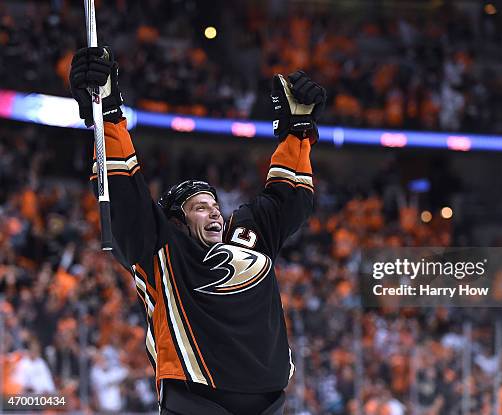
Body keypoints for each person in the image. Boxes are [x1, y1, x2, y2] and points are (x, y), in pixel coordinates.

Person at [69, 46, 326, 414]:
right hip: (196, 403)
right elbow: (125, 195)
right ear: (177, 221)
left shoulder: (248, 240)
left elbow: (290, 201)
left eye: (215, 206)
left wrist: (297, 132)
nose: (215, 214)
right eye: (201, 208)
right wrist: (107, 114)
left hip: (270, 404)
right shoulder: (162, 247)